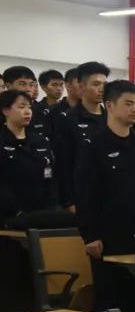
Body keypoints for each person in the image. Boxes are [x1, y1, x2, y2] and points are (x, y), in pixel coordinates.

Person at [75, 80, 135, 312]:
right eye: (128, 103)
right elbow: (85, 194)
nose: (134, 109)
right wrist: (91, 235)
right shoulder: (94, 144)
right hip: (110, 236)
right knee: (111, 300)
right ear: (109, 105)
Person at [52, 61, 110, 211]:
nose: (102, 89)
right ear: (82, 86)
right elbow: (63, 163)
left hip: (110, 194)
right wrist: (68, 201)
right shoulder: (68, 119)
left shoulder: (112, 117)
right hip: (82, 194)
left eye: (105, 84)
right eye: (96, 84)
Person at [0, 90, 59, 226]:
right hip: (12, 214)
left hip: (44, 211)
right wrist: (16, 211)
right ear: (6, 111)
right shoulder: (2, 141)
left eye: (29, 107)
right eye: (21, 107)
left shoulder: (40, 141)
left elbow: (50, 175)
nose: (27, 111)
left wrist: (50, 205)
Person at [2, 67, 46, 140]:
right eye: (22, 84)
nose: (28, 89)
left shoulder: (41, 113)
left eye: (31, 85)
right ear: (8, 86)